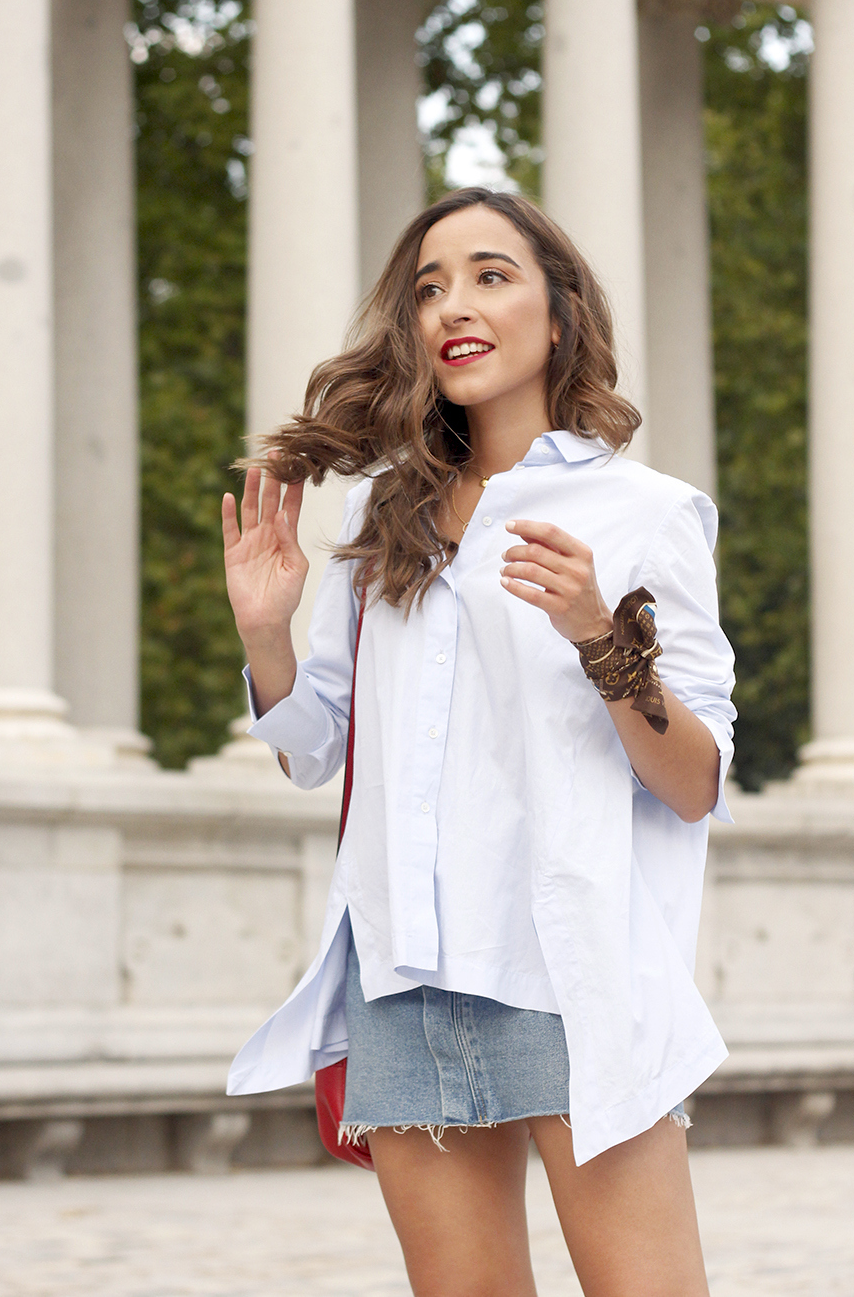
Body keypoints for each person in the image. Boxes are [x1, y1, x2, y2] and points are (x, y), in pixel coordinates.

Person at [223, 187, 735, 1297]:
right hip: (403, 972)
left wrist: (598, 635)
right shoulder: (380, 520)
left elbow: (693, 781)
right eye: (428, 287)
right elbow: (315, 750)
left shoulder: (645, 513)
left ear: (559, 313)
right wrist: (267, 634)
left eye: (490, 275)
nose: (452, 304)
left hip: (567, 972)